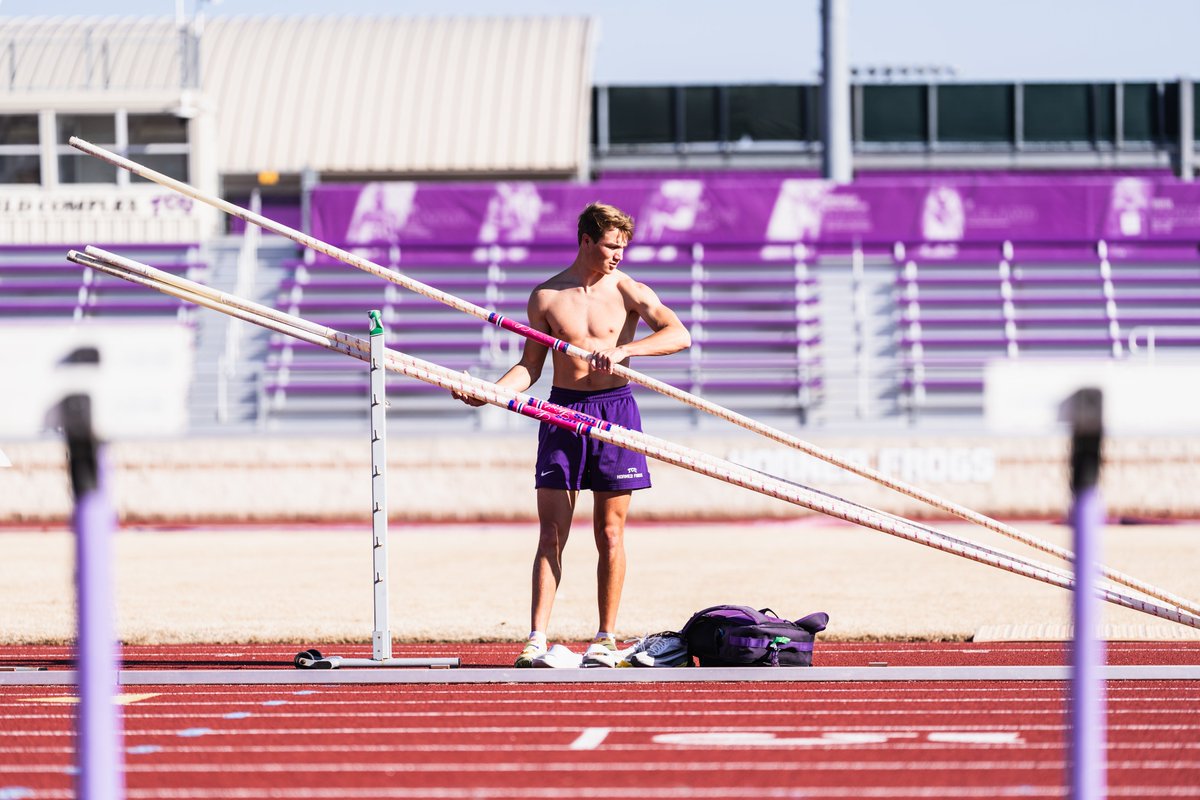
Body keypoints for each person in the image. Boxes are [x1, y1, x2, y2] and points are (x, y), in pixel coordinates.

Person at [453, 201, 691, 667]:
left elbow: (678, 334)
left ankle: (604, 638)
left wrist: (625, 351)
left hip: (615, 412)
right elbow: (529, 367)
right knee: (552, 533)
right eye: (610, 246)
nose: (618, 255)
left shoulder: (628, 290)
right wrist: (487, 393)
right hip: (562, 412)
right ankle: (536, 638)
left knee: (611, 532)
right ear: (586, 239)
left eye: (623, 246)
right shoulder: (546, 297)